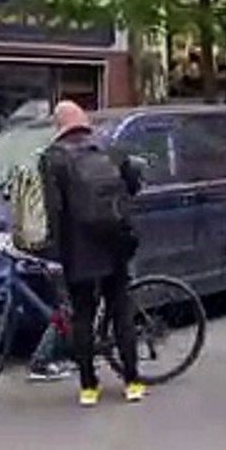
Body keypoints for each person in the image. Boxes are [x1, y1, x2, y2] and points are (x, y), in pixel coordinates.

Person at [40, 100, 144, 407]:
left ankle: (88, 386)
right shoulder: (109, 148)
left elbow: (53, 210)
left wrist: (55, 254)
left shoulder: (53, 158)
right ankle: (133, 381)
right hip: (114, 244)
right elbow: (132, 185)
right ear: (83, 120)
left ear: (59, 125)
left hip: (79, 249)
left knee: (82, 316)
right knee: (121, 312)